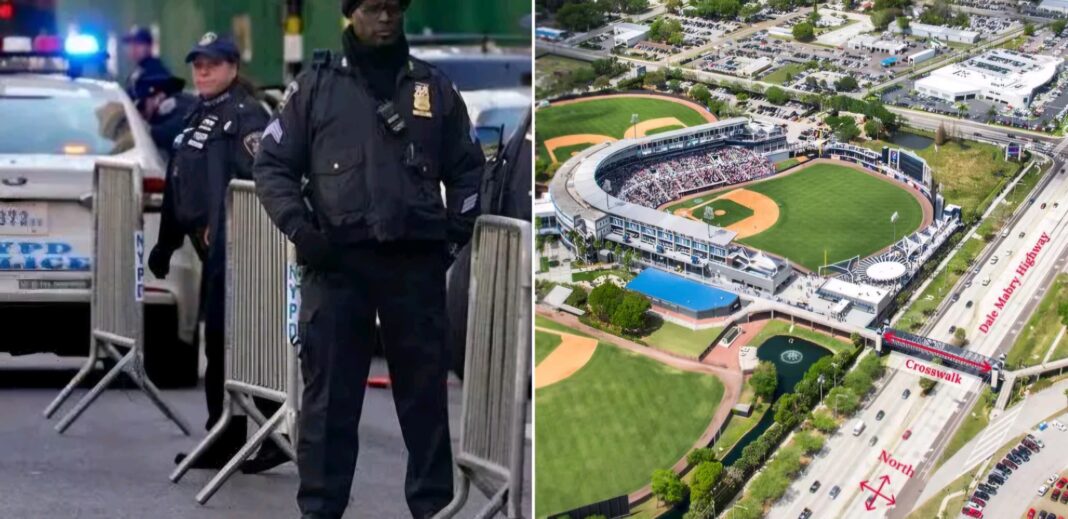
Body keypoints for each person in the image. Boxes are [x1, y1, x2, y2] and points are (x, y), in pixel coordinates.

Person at [252, 0, 485, 516]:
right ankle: (321, 508)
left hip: (414, 267)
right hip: (337, 267)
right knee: (329, 404)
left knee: (425, 404)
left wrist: (453, 234)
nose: (386, 19)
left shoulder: (434, 88)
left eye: (394, 9)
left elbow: (470, 170)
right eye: (374, 8)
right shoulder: (315, 89)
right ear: (350, 15)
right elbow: (271, 167)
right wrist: (301, 230)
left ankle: (432, 509)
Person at [146, 32, 276, 470]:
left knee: (241, 346)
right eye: (198, 64)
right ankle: (228, 433)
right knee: (222, 345)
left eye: (213, 64)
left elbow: (263, 186)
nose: (203, 71)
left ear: (233, 68)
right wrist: (167, 242)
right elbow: (179, 179)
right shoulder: (199, 114)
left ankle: (263, 433)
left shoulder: (246, 117)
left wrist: (239, 239)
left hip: (244, 253)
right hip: (215, 255)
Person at [132, 73, 196, 161]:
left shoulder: (178, 105)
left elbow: (174, 130)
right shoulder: (182, 103)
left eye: (142, 106)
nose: (141, 113)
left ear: (159, 97)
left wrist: (145, 129)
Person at [122, 26, 171, 103]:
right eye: (130, 43)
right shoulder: (138, 70)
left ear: (150, 46)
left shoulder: (156, 71)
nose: (133, 48)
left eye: (138, 43)